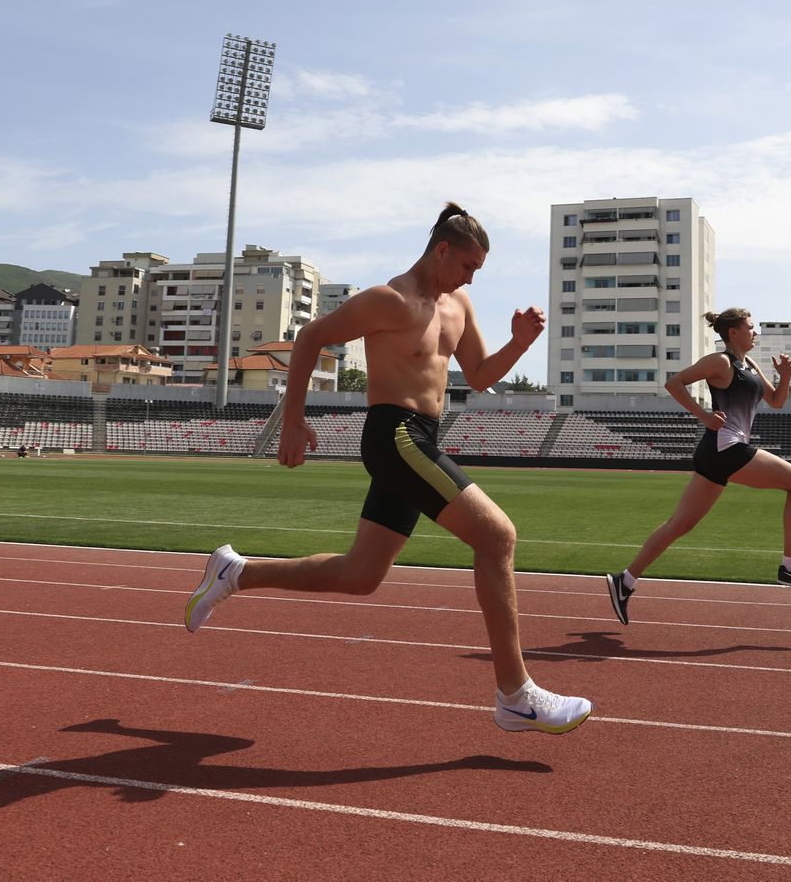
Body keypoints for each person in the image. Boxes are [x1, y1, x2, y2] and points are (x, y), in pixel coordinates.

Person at [182, 203, 592, 734]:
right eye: (468, 266)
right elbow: (310, 339)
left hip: (422, 437)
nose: (470, 278)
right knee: (497, 537)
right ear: (442, 250)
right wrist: (292, 422)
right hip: (393, 434)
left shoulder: (458, 305)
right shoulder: (388, 300)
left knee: (361, 575)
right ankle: (516, 695)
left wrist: (520, 342)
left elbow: (482, 375)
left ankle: (236, 572)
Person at [604, 308, 791, 625]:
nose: (755, 333)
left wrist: (787, 377)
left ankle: (624, 581)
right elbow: (675, 383)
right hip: (728, 447)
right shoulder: (720, 362)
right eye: (751, 327)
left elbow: (777, 401)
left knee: (680, 525)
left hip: (718, 453)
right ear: (733, 332)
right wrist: (704, 416)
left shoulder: (749, 364)